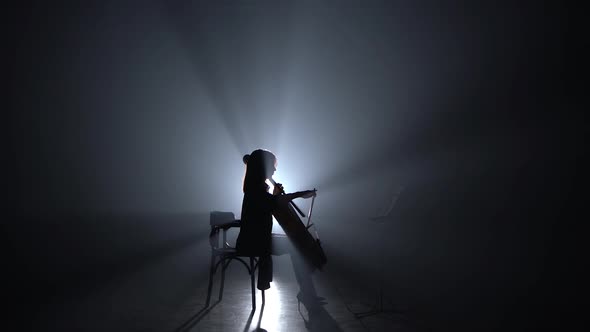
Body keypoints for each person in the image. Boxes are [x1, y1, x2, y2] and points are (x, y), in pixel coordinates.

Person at [235, 149, 322, 311]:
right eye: (272, 166)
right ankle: (307, 292)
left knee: (295, 244)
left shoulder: (257, 189)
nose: (275, 170)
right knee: (296, 246)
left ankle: (307, 292)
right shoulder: (254, 191)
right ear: (263, 168)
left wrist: (276, 195)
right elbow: (275, 202)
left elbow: (273, 202)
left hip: (259, 238)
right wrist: (300, 194)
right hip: (252, 241)